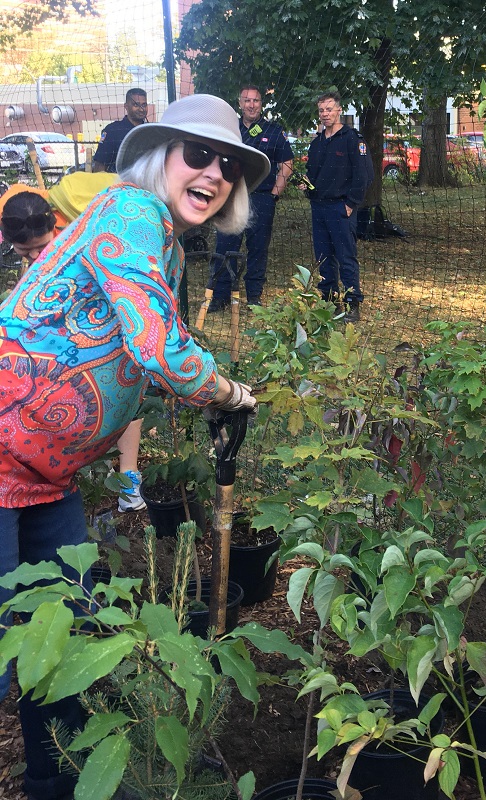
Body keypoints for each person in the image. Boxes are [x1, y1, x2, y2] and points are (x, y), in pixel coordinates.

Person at [0, 92, 268, 800]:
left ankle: (52, 781)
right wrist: (227, 391)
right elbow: (160, 350)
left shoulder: (164, 243)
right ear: (160, 157)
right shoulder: (130, 212)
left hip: (45, 477)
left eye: (228, 165)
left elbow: (135, 365)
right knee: (8, 644)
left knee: (59, 639)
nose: (214, 171)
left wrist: (188, 393)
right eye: (198, 153)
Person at [0, 174, 144, 513]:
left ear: (55, 224)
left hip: (115, 290)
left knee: (127, 380)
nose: (36, 255)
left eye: (42, 246)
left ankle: (130, 478)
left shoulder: (79, 216)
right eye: (25, 251)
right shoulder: (12, 216)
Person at [207, 84, 294, 311]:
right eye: (247, 101)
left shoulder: (274, 131)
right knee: (225, 245)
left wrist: (274, 194)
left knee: (258, 248)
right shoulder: (229, 129)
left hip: (262, 199)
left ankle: (254, 297)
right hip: (230, 197)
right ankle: (220, 296)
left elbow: (287, 163)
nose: (251, 105)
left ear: (261, 104)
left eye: (255, 100)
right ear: (240, 104)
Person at [305, 90, 370, 322]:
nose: (325, 114)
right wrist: (307, 187)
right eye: (321, 110)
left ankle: (353, 305)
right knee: (323, 258)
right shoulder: (317, 143)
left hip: (341, 209)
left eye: (329, 109)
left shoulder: (353, 139)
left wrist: (351, 204)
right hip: (319, 208)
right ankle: (330, 303)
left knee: (346, 257)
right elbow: (312, 174)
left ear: (339, 110)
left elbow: (363, 175)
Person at [92, 87, 148, 172]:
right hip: (119, 182)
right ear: (126, 106)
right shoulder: (112, 130)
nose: (141, 109)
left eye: (144, 105)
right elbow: (100, 165)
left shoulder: (151, 130)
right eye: (136, 105)